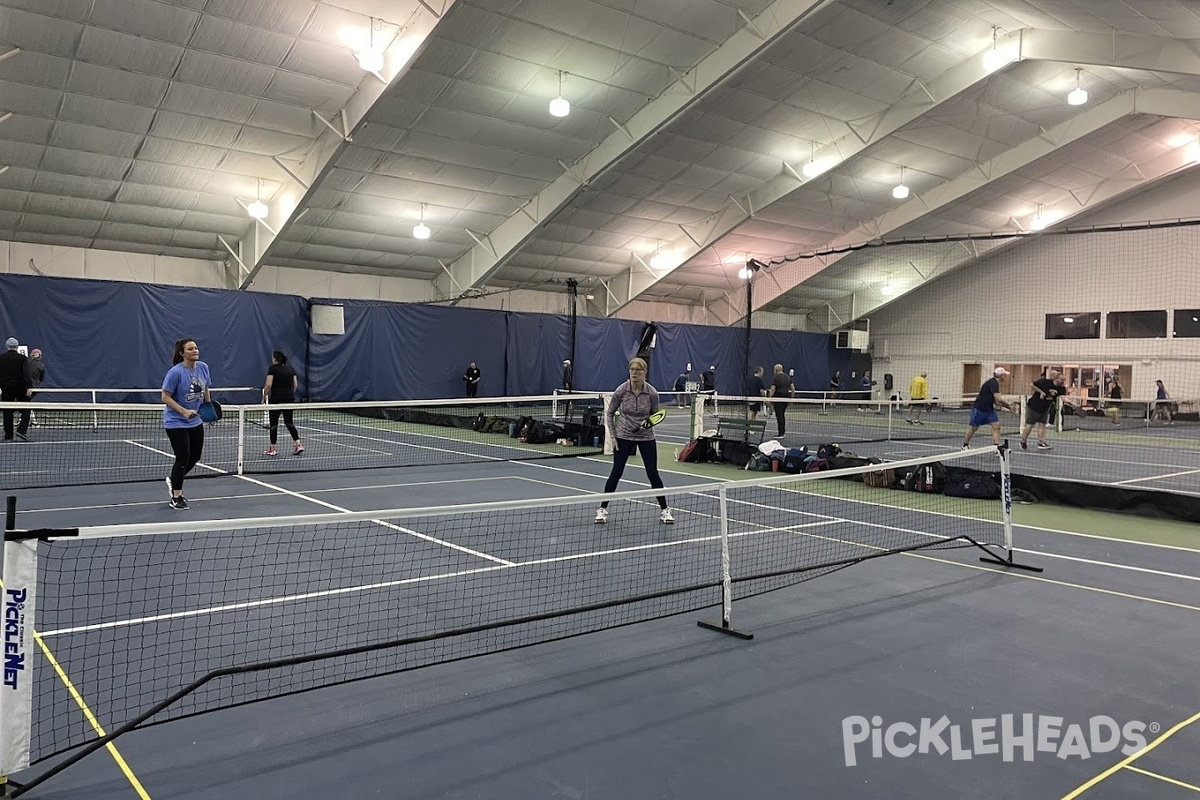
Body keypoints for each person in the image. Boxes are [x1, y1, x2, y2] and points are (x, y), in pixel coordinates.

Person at [595, 357, 672, 525]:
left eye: (638, 370)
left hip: (646, 437)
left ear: (645, 373)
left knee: (653, 473)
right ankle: (602, 509)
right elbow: (609, 413)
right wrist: (613, 436)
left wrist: (647, 424)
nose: (634, 373)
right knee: (616, 472)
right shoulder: (621, 390)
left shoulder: (652, 393)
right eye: (632, 370)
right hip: (623, 436)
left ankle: (665, 510)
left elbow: (656, 415)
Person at [161, 338, 212, 510]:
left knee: (195, 456)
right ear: (182, 353)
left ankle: (174, 478)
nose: (195, 350)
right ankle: (177, 496)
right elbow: (165, 397)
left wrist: (208, 409)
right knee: (183, 457)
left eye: (196, 347)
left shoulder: (203, 367)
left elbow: (205, 388)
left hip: (195, 420)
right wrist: (183, 411)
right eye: (190, 349)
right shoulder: (175, 373)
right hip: (176, 422)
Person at [962, 367, 1016, 449]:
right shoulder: (993, 383)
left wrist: (1008, 407)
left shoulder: (995, 383)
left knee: (996, 426)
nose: (1005, 376)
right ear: (1001, 376)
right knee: (974, 428)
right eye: (1004, 375)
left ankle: (996, 447)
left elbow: (996, 401)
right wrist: (1009, 405)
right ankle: (965, 445)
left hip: (989, 409)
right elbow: (998, 399)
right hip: (980, 408)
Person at [262, 350, 303, 457]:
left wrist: (263, 397)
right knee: (289, 423)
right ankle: (298, 444)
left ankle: (273, 448)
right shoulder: (290, 369)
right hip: (289, 399)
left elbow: (268, 385)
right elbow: (295, 385)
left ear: (275, 359)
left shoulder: (272, 369)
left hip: (276, 400)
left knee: (273, 424)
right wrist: (289, 394)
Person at [1019, 369, 1060, 451]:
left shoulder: (1059, 387)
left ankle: (1041, 442)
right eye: (1057, 376)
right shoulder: (1043, 381)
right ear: (1052, 377)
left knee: (1042, 425)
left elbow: (1062, 397)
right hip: (1034, 406)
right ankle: (1023, 441)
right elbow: (1032, 385)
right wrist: (1041, 392)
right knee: (1030, 424)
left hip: (1044, 408)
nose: (1059, 377)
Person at [0, 338, 32, 442]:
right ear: (17, 347)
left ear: (7, 346)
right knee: (26, 409)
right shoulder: (22, 358)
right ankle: (22, 430)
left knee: (7, 411)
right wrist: (29, 387)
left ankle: (8, 436)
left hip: (6, 387)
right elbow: (26, 374)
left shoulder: (1, 358)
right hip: (20, 387)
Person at [767, 363, 795, 437]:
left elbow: (773, 389)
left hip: (778, 398)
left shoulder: (775, 378)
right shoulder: (788, 377)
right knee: (782, 415)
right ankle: (782, 431)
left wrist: (769, 398)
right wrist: (791, 397)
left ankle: (781, 433)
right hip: (785, 398)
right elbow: (792, 388)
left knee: (779, 415)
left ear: (776, 370)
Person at [25, 348, 44, 429]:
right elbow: (41, 378)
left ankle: (31, 421)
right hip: (34, 387)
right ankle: (32, 421)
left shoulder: (26, 364)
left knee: (26, 403)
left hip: (28, 387)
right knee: (26, 403)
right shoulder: (41, 366)